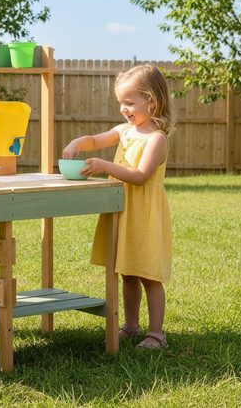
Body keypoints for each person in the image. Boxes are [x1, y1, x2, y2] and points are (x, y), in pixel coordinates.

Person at [63, 64, 175, 349]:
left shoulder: (156, 139)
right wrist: (78, 142)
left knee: (148, 273)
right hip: (122, 210)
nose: (124, 109)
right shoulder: (124, 131)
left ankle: (157, 333)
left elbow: (141, 176)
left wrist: (105, 166)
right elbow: (95, 140)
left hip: (144, 214)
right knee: (127, 271)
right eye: (120, 103)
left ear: (153, 101)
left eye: (129, 102)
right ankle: (131, 325)